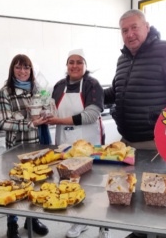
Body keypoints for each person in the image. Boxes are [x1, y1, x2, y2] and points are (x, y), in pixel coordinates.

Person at [104, 9, 166, 238]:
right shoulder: (123, 59)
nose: (130, 34)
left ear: (147, 27)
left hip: (157, 145)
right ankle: (139, 233)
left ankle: (162, 235)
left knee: (161, 196)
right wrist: (92, 93)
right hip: (128, 143)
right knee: (136, 192)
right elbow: (117, 93)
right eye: (124, 30)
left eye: (134, 27)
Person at [47, 49, 109, 238]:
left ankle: (102, 226)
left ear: (85, 65)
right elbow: (51, 109)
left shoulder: (92, 85)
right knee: (70, 183)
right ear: (66, 65)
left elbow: (91, 115)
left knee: (93, 184)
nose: (74, 66)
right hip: (65, 142)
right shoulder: (58, 86)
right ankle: (78, 222)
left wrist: (58, 121)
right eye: (71, 62)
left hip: (89, 142)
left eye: (79, 62)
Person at [0, 54, 50, 238]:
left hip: (36, 147)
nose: (23, 71)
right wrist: (29, 123)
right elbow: (3, 122)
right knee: (15, 186)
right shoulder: (5, 92)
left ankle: (32, 220)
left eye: (26, 67)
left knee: (34, 185)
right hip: (16, 149)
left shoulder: (37, 90)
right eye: (18, 67)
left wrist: (45, 114)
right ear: (12, 70)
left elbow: (44, 110)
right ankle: (12, 223)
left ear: (31, 70)